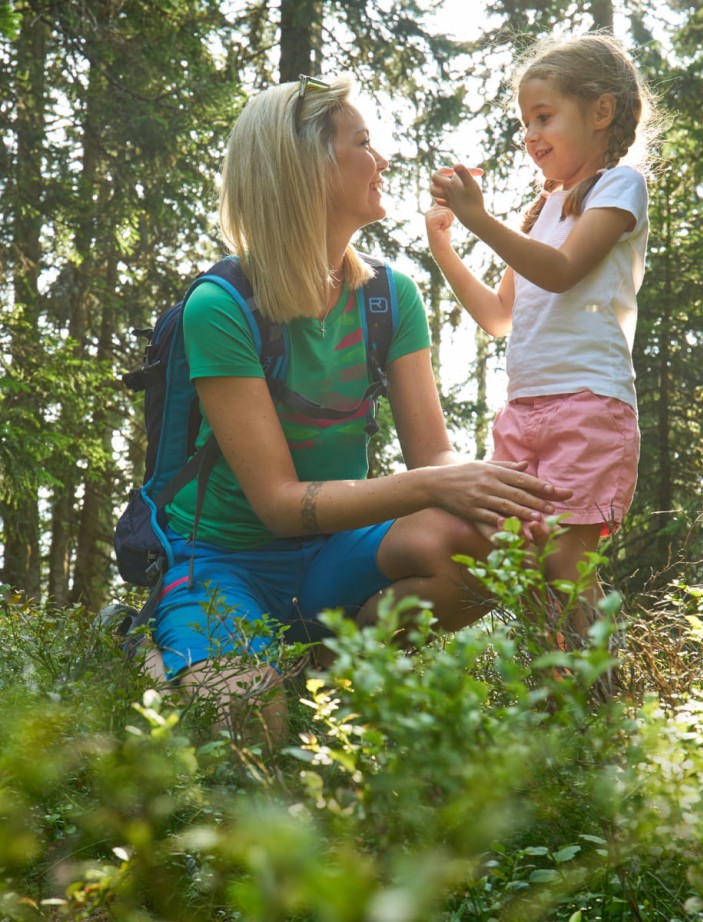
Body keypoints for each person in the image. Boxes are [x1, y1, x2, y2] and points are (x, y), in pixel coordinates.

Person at [151, 74, 572, 746]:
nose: (383, 159)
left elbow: (433, 455)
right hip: (223, 562)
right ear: (307, 167)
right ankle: (170, 649)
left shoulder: (388, 297)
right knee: (249, 724)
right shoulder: (221, 307)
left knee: (493, 542)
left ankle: (326, 670)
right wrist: (435, 485)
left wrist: (489, 490)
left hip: (333, 553)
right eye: (363, 143)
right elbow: (279, 504)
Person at [426, 33, 656, 639]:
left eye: (544, 116)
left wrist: (478, 218)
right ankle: (556, 689)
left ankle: (602, 691)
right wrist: (445, 247)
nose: (530, 134)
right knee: (519, 557)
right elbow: (499, 316)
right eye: (525, 122)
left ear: (601, 112)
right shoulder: (543, 209)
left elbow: (561, 271)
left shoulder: (619, 185)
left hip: (587, 402)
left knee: (565, 560)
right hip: (524, 409)